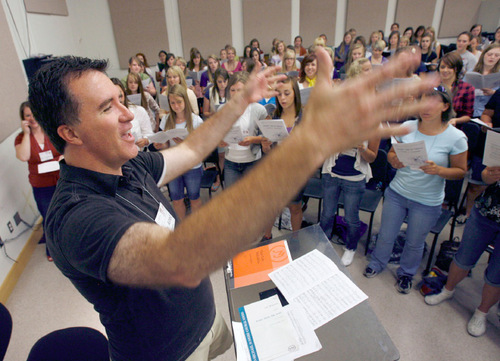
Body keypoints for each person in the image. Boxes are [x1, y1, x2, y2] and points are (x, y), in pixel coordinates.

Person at [27, 49, 437, 360]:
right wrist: (309, 142)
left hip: (207, 319)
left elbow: (190, 150)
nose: (128, 116)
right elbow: (179, 260)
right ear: (70, 133)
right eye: (106, 108)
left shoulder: (128, 164)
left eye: (121, 100)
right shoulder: (74, 216)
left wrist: (237, 104)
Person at [365, 87, 467, 294]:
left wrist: (439, 170)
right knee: (386, 234)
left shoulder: (456, 137)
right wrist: (394, 161)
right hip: (398, 193)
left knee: (414, 241)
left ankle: (407, 273)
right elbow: (392, 155)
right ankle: (377, 263)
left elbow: (460, 171)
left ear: (445, 106)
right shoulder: (408, 126)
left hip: (427, 200)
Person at [425, 166, 500, 337]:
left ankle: (482, 312)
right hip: (485, 212)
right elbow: (485, 175)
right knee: (463, 258)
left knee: (496, 274)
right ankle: (448, 290)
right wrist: (489, 175)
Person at [320, 58, 379, 266]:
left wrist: (361, 148)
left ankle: (351, 247)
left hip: (354, 176)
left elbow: (373, 156)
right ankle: (324, 242)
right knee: (327, 213)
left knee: (351, 217)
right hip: (332, 172)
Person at [15, 101, 61, 261]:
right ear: (24, 119)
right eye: (28, 115)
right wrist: (27, 133)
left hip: (61, 179)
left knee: (67, 211)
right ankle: (52, 249)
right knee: (48, 216)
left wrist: (62, 157)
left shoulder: (51, 130)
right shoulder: (21, 138)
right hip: (42, 185)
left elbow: (65, 148)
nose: (32, 118)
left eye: (34, 113)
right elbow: (23, 156)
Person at [261, 76, 304, 240]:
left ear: (295, 93)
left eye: (287, 93)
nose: (283, 98)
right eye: (279, 94)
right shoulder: (273, 116)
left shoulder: (304, 116)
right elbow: (269, 152)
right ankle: (266, 236)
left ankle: (295, 239)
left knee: (294, 207)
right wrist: (266, 147)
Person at [154, 85, 204, 220]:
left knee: (194, 198)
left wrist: (185, 144)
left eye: (179, 102)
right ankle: (182, 227)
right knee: (176, 199)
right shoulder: (166, 120)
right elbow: (166, 144)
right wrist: (160, 144)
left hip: (192, 165)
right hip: (174, 165)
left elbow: (202, 148)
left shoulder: (195, 120)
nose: (176, 106)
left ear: (185, 101)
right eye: (173, 103)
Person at [219, 72, 267, 188]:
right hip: (231, 161)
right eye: (232, 90)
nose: (236, 94)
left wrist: (253, 139)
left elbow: (266, 137)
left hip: (252, 161)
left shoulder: (259, 110)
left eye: (240, 90)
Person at [111, 78, 153, 149]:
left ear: (124, 94)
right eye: (114, 97)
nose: (119, 100)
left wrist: (145, 140)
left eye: (120, 96)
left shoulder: (138, 110)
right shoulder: (106, 116)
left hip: (139, 153)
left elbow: (149, 134)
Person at [438, 52, 475, 127]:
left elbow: (468, 116)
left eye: (450, 67)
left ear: (456, 69)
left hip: (454, 126)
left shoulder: (467, 88)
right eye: (442, 67)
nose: (445, 70)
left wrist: (456, 120)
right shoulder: (432, 86)